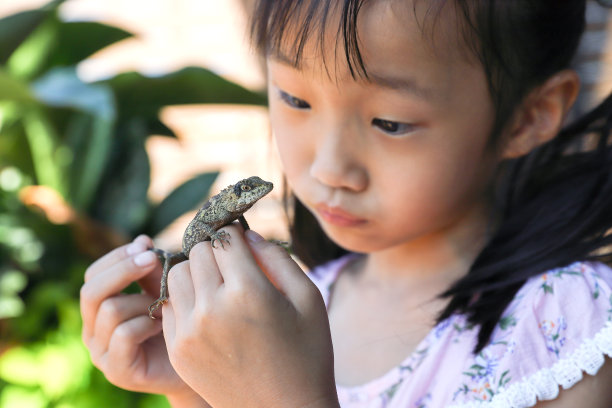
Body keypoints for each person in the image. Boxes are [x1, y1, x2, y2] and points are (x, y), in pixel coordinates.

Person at [79, 0, 612, 407]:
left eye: (390, 122)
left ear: (528, 116)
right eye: (295, 98)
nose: (328, 168)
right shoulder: (306, 299)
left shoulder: (569, 324)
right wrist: (196, 385)